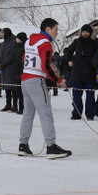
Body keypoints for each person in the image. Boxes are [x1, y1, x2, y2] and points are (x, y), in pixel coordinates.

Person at [18, 18, 71, 159]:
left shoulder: (29, 41)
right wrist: (59, 80)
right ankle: (51, 146)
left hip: (25, 81)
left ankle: (23, 145)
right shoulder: (46, 43)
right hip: (36, 81)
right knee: (46, 113)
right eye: (56, 30)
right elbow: (45, 66)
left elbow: (24, 59)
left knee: (27, 114)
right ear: (48, 29)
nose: (57, 33)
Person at [63, 24, 98, 120]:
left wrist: (97, 68)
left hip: (90, 74)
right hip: (77, 74)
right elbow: (68, 51)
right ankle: (76, 114)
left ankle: (90, 115)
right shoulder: (77, 42)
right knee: (76, 97)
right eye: (83, 32)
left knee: (90, 97)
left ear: (90, 33)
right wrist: (69, 60)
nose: (85, 33)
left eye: (87, 32)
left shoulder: (95, 43)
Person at [0, 30, 25, 113]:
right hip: (4, 68)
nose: (2, 35)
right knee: (7, 87)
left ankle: (15, 105)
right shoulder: (3, 43)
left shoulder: (13, 42)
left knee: (13, 87)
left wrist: (3, 63)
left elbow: (13, 55)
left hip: (11, 67)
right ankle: (8, 104)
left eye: (3, 33)